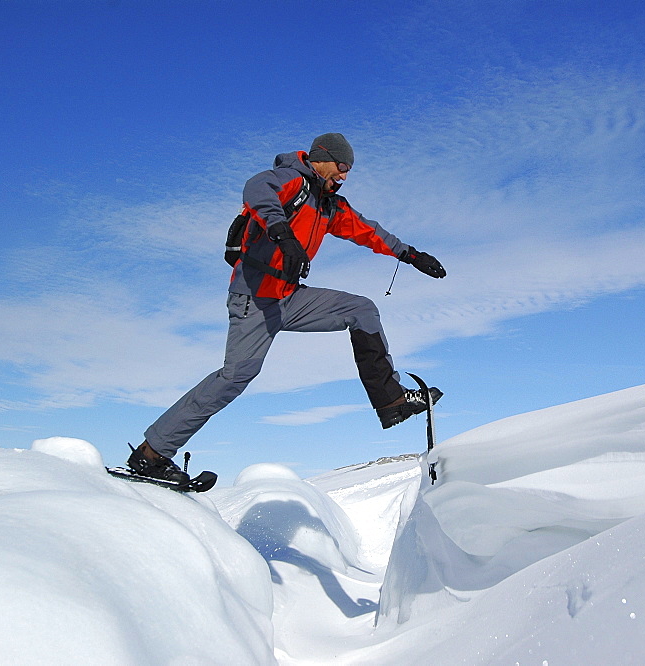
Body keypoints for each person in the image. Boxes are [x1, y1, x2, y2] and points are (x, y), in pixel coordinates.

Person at [128, 133, 446, 483]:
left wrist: (410, 254)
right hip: (254, 299)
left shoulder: (329, 205)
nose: (344, 175)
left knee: (362, 309)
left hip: (291, 299)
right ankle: (151, 453)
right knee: (234, 378)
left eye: (349, 170)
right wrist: (282, 233)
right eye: (341, 166)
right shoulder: (290, 180)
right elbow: (256, 189)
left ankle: (392, 402)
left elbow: (368, 231)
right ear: (321, 158)